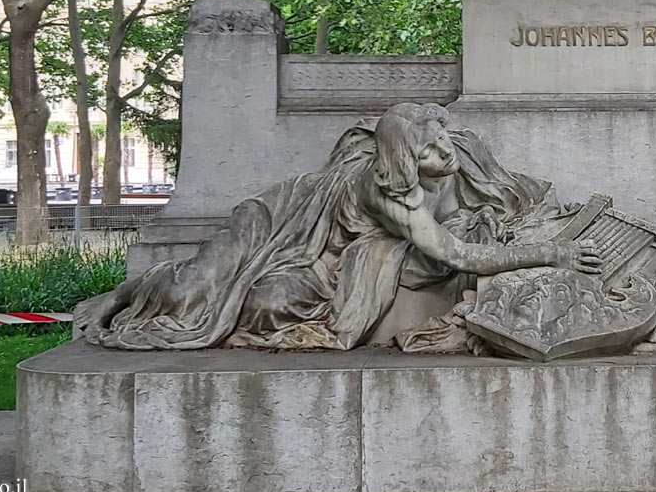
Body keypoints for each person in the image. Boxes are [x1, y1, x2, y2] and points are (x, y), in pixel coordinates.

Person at [73, 103, 603, 350]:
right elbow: (457, 256)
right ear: (403, 163)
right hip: (277, 220)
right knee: (195, 293)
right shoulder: (390, 192)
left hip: (326, 251)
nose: (446, 155)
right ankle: (123, 295)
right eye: (429, 154)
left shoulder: (459, 149)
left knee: (269, 305)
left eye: (443, 139)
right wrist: (550, 254)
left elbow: (522, 196)